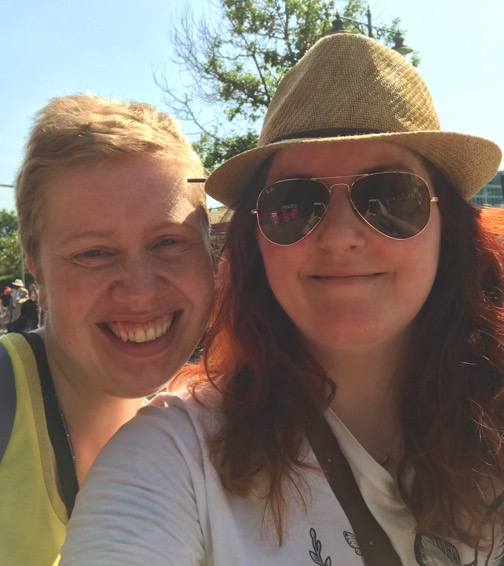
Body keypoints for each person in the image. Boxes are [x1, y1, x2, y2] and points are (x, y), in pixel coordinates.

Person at [61, 34, 504, 565]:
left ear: (447, 227)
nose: (340, 237)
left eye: (389, 196)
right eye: (294, 203)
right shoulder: (175, 455)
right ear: (255, 239)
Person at [0, 93, 214, 565]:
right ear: (38, 276)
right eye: (93, 253)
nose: (139, 291)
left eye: (168, 242)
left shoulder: (198, 434)